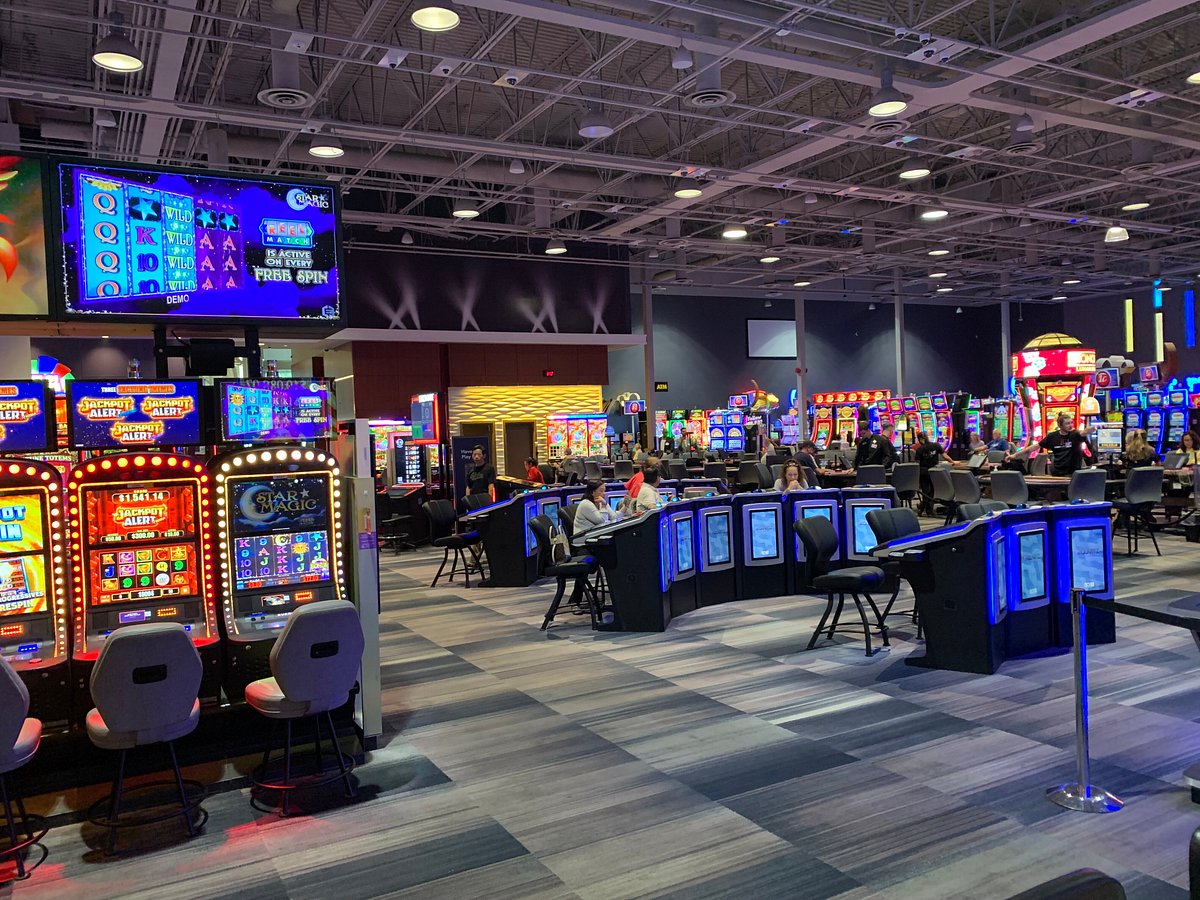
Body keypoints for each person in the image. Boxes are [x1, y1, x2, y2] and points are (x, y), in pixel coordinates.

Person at [1009, 412, 1093, 477]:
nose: (1070, 425)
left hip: (1073, 472)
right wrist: (1015, 455)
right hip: (1057, 472)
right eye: (1067, 423)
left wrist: (1095, 427)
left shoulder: (1075, 434)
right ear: (1060, 425)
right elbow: (1033, 447)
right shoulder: (1052, 436)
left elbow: (1085, 432)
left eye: (1071, 423)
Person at [913, 431, 953, 514]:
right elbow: (945, 456)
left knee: (925, 491)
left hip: (923, 472)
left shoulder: (920, 449)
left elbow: (917, 463)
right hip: (934, 471)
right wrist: (952, 462)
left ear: (921, 439)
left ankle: (926, 507)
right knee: (933, 490)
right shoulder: (936, 445)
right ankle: (927, 507)